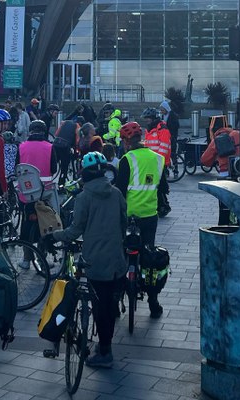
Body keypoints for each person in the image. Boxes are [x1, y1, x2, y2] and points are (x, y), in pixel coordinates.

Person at [48, 151, 126, 369]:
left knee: (98, 306)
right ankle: (105, 348)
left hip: (95, 261)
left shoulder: (84, 197)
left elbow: (75, 230)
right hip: (116, 261)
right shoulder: (117, 193)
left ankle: (105, 353)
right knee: (108, 305)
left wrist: (52, 237)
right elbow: (123, 222)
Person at [114, 121, 166, 319]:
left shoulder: (127, 159)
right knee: (149, 259)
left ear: (127, 142)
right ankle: (153, 303)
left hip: (128, 217)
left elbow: (119, 190)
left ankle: (116, 298)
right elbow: (162, 187)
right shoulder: (158, 159)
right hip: (149, 217)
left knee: (120, 256)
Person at [142, 108, 172, 217]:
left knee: (156, 185)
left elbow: (164, 147)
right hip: (151, 163)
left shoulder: (162, 129)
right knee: (151, 184)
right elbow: (147, 145)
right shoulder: (149, 130)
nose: (146, 121)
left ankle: (163, 205)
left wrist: (158, 162)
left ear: (153, 118)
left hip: (159, 163)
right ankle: (159, 205)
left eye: (148, 119)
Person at [53, 112, 80, 185]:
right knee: (64, 166)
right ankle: (61, 183)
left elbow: (56, 134)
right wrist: (76, 150)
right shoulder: (77, 126)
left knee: (54, 162)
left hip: (56, 144)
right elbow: (77, 140)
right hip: (65, 146)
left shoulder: (64, 123)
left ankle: (48, 178)